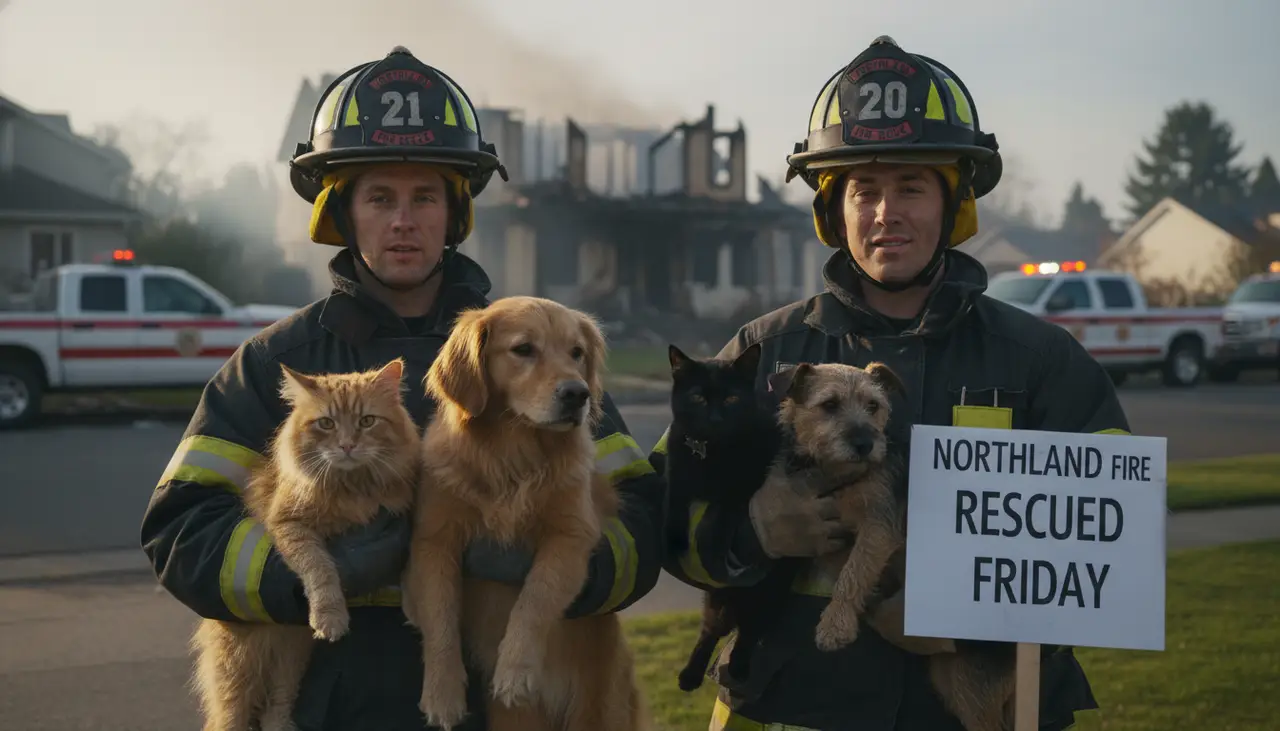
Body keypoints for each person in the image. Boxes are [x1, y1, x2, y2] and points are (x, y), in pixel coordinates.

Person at [139, 46, 665, 731]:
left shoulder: (533, 354)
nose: (403, 220)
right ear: (342, 213)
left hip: (503, 703)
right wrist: (305, 572)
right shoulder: (275, 363)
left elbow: (643, 522)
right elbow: (179, 529)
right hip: (333, 701)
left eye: (425, 197)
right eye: (379, 197)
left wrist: (561, 568)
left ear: (454, 215)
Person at [652, 36, 1130, 731]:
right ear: (832, 209)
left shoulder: (1039, 359)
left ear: (954, 203)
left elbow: (1106, 538)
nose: (886, 212)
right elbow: (667, 517)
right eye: (864, 190)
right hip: (800, 705)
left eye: (911, 186)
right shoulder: (761, 356)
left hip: (989, 706)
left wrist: (967, 617)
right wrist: (752, 531)